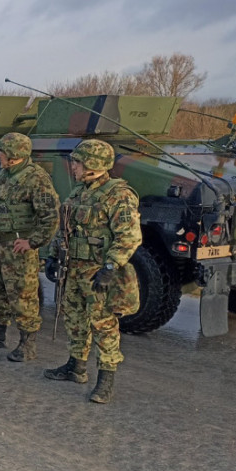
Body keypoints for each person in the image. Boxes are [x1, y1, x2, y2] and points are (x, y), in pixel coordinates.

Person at [43, 139, 140, 404]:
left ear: (92, 165)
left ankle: (106, 380)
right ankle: (76, 367)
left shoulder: (118, 195)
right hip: (73, 270)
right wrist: (52, 258)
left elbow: (129, 237)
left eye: (77, 162)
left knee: (103, 325)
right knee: (74, 319)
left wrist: (110, 267)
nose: (73, 166)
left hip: (97, 273)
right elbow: (63, 228)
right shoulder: (77, 193)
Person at [0, 132, 59, 361]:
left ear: (14, 155)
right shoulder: (4, 175)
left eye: (1, 152)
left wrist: (32, 242)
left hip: (18, 250)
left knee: (23, 296)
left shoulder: (36, 178)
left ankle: (27, 345)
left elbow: (50, 217)